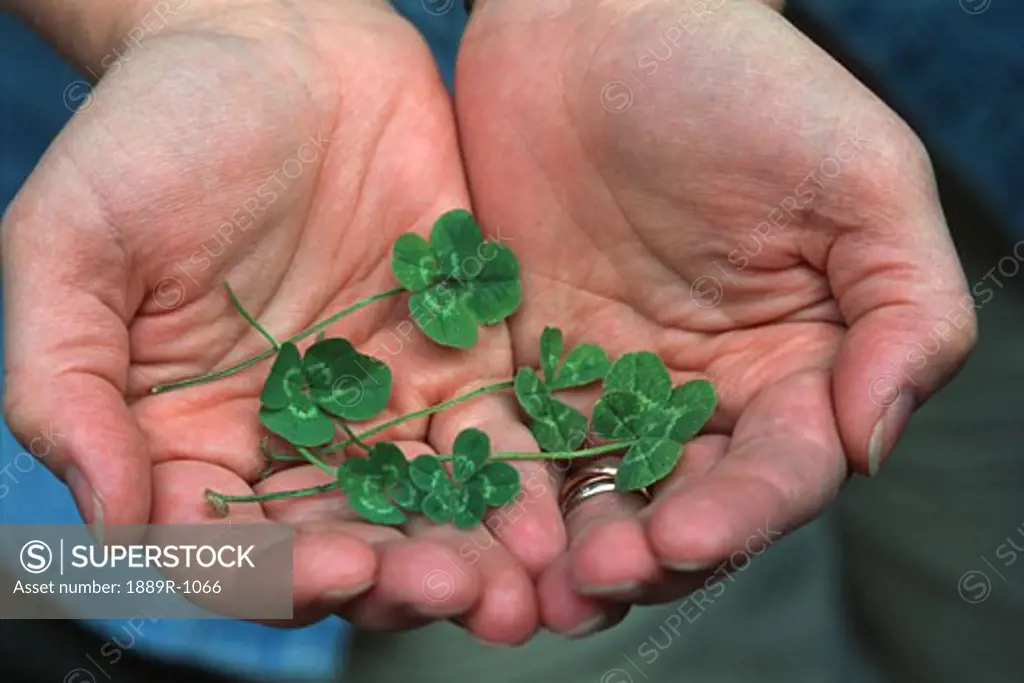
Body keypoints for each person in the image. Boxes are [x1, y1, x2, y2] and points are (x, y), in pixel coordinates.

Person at [2, 0, 975, 675]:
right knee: (137, 590)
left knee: (958, 615)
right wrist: (212, 19)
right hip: (160, 373)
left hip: (913, 123)